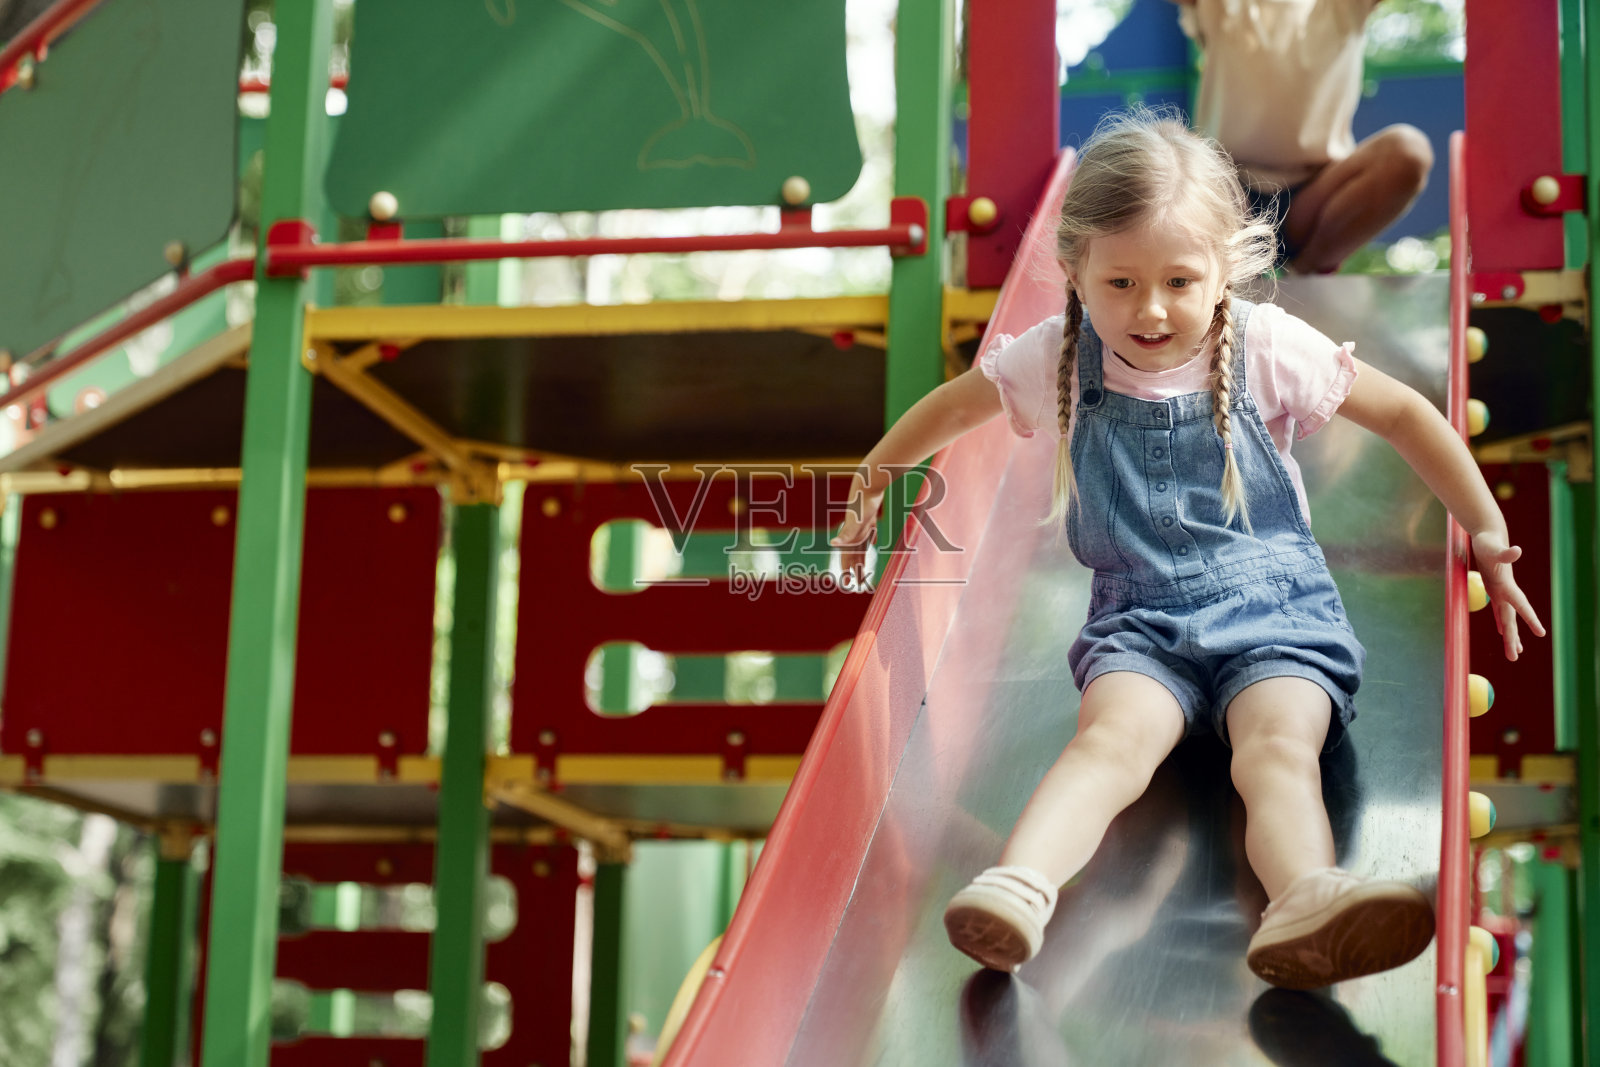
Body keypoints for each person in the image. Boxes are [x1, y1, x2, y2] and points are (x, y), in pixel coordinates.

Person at [831, 109, 1542, 989]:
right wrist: (875, 474)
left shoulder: (1267, 345)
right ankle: (1019, 886)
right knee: (1109, 743)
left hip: (1275, 613)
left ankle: (1306, 897)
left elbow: (1402, 412)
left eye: (1178, 279)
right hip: (1140, 621)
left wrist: (1489, 533)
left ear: (1224, 269)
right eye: (1121, 282)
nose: (1151, 308)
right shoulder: (1062, 356)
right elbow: (953, 405)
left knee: (1276, 748)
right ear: (1077, 270)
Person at [1169, 0, 1434, 274]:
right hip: (1230, 194)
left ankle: (1307, 274)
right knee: (1166, 139)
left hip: (1315, 199)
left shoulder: (1340, 8)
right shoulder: (1224, 6)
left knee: (1408, 150)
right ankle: (1232, 273)